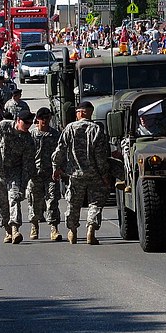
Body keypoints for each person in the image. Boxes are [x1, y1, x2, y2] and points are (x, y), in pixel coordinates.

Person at [52, 101, 111, 245]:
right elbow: (100, 155)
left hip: (75, 174)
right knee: (95, 202)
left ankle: (72, 231)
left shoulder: (69, 128)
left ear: (80, 113)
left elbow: (60, 150)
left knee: (73, 203)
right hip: (94, 173)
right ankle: (91, 228)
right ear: (90, 113)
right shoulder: (97, 129)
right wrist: (104, 174)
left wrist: (56, 167)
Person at [0, 109, 36, 244]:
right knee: (0, 201)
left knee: (14, 198)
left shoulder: (28, 139)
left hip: (14, 172)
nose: (28, 126)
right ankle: (7, 231)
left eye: (31, 123)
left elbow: (27, 163)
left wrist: (24, 184)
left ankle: (15, 229)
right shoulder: (3, 126)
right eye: (26, 123)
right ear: (18, 120)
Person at [27, 107, 63, 242]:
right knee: (35, 201)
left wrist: (60, 168)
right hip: (35, 174)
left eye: (48, 118)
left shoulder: (55, 135)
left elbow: (61, 153)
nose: (46, 121)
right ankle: (34, 226)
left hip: (51, 174)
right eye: (43, 118)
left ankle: (54, 228)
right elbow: (26, 154)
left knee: (52, 200)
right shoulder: (31, 135)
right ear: (38, 119)